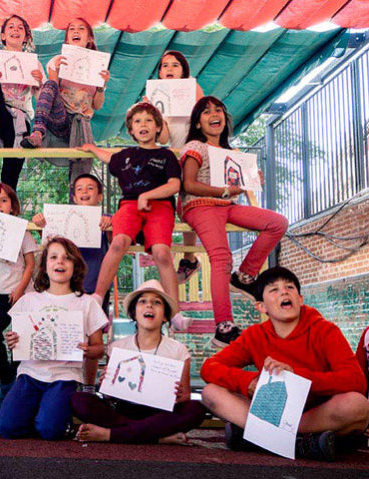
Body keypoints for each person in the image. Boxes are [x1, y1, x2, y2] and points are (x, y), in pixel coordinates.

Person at [201, 266, 369, 461]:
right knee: (210, 393)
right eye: (274, 289)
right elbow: (209, 367)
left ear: (300, 299)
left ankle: (261, 437)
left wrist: (298, 376)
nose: (283, 291)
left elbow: (356, 380)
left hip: (317, 414)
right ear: (261, 307)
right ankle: (301, 443)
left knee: (358, 406)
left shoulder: (325, 330)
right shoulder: (254, 335)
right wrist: (250, 382)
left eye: (289, 287)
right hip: (272, 410)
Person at [180, 96, 288, 347]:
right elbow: (189, 184)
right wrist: (226, 192)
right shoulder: (195, 146)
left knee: (278, 223)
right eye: (206, 112)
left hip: (226, 205)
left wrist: (250, 179)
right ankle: (224, 326)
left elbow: (235, 186)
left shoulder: (230, 152)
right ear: (197, 123)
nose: (213, 114)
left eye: (218, 110)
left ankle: (245, 276)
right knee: (221, 258)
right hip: (199, 204)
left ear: (225, 120)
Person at [80, 102, 189, 330]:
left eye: (149, 120)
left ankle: (176, 313)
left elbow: (174, 184)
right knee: (118, 242)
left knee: (162, 252)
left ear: (158, 127)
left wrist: (148, 195)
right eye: (138, 121)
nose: (143, 125)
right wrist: (91, 148)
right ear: (131, 130)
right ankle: (97, 297)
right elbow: (108, 157)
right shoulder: (126, 155)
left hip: (159, 206)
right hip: (129, 206)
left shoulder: (166, 155)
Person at [0, 237, 107, 440]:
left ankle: (48, 417)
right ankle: (39, 414)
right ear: (45, 266)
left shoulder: (86, 303)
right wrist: (12, 341)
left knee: (50, 431)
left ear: (76, 266)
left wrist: (87, 351)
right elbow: (16, 342)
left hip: (64, 377)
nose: (60, 262)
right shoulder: (29, 300)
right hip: (29, 374)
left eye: (67, 258)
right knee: (6, 427)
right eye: (54, 257)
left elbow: (99, 349)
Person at [71, 280, 206, 444]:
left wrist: (178, 395)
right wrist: (107, 383)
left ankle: (110, 434)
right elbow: (110, 396)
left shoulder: (178, 350)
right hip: (126, 410)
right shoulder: (117, 347)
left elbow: (184, 396)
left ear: (164, 316)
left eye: (157, 303)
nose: (149, 306)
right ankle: (157, 437)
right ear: (134, 313)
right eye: (143, 301)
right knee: (79, 400)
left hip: (160, 412)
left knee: (196, 409)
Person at [32, 173, 112, 390]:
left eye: (90, 188)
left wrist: (111, 224)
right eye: (79, 189)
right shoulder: (62, 219)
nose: (85, 192)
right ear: (74, 198)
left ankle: (88, 387)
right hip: (64, 291)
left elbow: (116, 246)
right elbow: (49, 246)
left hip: (94, 289)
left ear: (99, 196)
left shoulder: (105, 220)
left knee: (92, 340)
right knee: (63, 333)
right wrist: (41, 226)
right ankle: (61, 382)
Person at [20, 18, 109, 182]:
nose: (76, 31)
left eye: (81, 28)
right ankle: (37, 133)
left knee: (80, 178)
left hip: (79, 124)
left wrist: (102, 86)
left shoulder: (98, 66)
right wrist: (53, 71)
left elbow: (97, 105)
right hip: (59, 118)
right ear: (67, 38)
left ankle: (77, 201)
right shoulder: (58, 61)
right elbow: (50, 91)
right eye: (72, 29)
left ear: (89, 38)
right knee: (50, 84)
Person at [0, 182, 38, 405]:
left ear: (13, 207)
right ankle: (6, 379)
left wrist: (21, 289)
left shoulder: (21, 230)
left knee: (21, 340)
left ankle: (19, 382)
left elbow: (30, 264)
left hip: (21, 292)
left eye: (4, 200)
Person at [149, 50, 205, 284]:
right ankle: (186, 259)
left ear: (183, 71)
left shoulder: (194, 88)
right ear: (160, 73)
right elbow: (162, 139)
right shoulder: (156, 98)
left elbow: (204, 119)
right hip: (176, 156)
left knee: (191, 204)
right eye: (164, 66)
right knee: (180, 205)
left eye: (175, 65)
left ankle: (190, 257)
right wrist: (154, 113)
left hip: (197, 155)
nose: (169, 69)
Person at [0, 14, 45, 190]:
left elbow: (43, 99)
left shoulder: (34, 63)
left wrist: (40, 83)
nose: (16, 29)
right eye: (11, 27)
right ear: (3, 36)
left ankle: (8, 204)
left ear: (26, 36)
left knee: (10, 176)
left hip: (21, 119)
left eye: (20, 27)